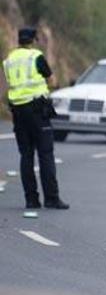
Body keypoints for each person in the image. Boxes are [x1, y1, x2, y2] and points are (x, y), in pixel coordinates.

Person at [2, 27, 69, 209]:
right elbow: (52, 81)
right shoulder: (35, 57)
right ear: (33, 40)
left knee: (26, 155)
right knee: (45, 154)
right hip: (37, 110)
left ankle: (31, 200)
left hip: (18, 111)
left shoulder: (9, 60)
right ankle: (51, 198)